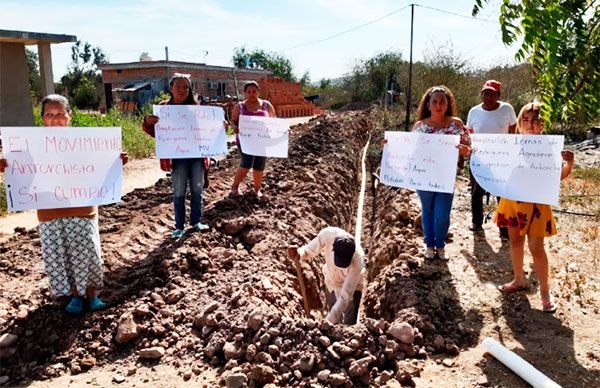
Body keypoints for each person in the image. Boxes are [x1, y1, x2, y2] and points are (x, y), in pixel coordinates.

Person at [0, 94, 128, 314]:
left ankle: (91, 294)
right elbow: (22, 172)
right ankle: (75, 296)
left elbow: (100, 166)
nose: (55, 119)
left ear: (70, 116)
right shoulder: (30, 145)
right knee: (61, 254)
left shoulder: (86, 143)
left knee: (87, 252)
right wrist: (6, 166)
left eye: (60, 114)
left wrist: (116, 160)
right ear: (42, 118)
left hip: (82, 208)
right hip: (49, 211)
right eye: (49, 114)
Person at [495, 102, 574, 313]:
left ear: (543, 124)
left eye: (535, 120)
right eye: (526, 120)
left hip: (538, 203)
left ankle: (545, 293)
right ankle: (518, 280)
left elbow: (559, 176)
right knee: (515, 241)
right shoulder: (512, 146)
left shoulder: (548, 148)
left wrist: (569, 164)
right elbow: (497, 168)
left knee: (537, 247)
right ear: (519, 123)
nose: (530, 124)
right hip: (513, 201)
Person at [142, 74, 210, 238]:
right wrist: (147, 122)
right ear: (171, 88)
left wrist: (220, 126)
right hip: (177, 157)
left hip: (196, 156)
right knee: (179, 191)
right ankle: (178, 226)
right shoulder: (163, 109)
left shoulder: (197, 110)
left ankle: (195, 222)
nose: (182, 90)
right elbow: (154, 132)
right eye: (178, 86)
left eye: (186, 87)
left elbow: (210, 131)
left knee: (197, 189)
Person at [411, 85, 470, 260]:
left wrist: (465, 150)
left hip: (446, 177)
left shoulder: (456, 123)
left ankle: (441, 243)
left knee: (442, 214)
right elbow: (408, 149)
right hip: (424, 177)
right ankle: (430, 245)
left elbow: (469, 145)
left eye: (442, 101)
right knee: (428, 211)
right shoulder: (419, 126)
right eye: (434, 101)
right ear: (428, 105)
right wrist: (389, 146)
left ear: (447, 104)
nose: (438, 105)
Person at [466, 80, 517, 236]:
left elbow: (513, 132)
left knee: (502, 193)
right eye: (485, 93)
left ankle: (504, 227)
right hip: (479, 160)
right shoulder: (474, 112)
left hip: (501, 160)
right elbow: (469, 133)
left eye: (492, 94)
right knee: (476, 192)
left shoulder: (507, 109)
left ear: (498, 95)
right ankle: (476, 222)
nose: (488, 97)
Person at [287, 227, 365, 324]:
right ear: (333, 248)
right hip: (331, 281)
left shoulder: (357, 262)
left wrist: (326, 322)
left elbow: (345, 297)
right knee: (333, 314)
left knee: (349, 320)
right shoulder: (328, 235)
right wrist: (299, 253)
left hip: (353, 287)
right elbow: (309, 249)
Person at [228, 81, 276, 198]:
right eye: (249, 91)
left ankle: (257, 189)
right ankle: (235, 186)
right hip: (245, 141)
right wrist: (234, 127)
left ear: (258, 92)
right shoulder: (240, 106)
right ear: (245, 93)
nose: (251, 94)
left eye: (254, 91)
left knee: (259, 165)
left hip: (262, 141)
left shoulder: (266, 105)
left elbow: (274, 121)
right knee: (246, 162)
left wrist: (284, 130)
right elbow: (233, 121)